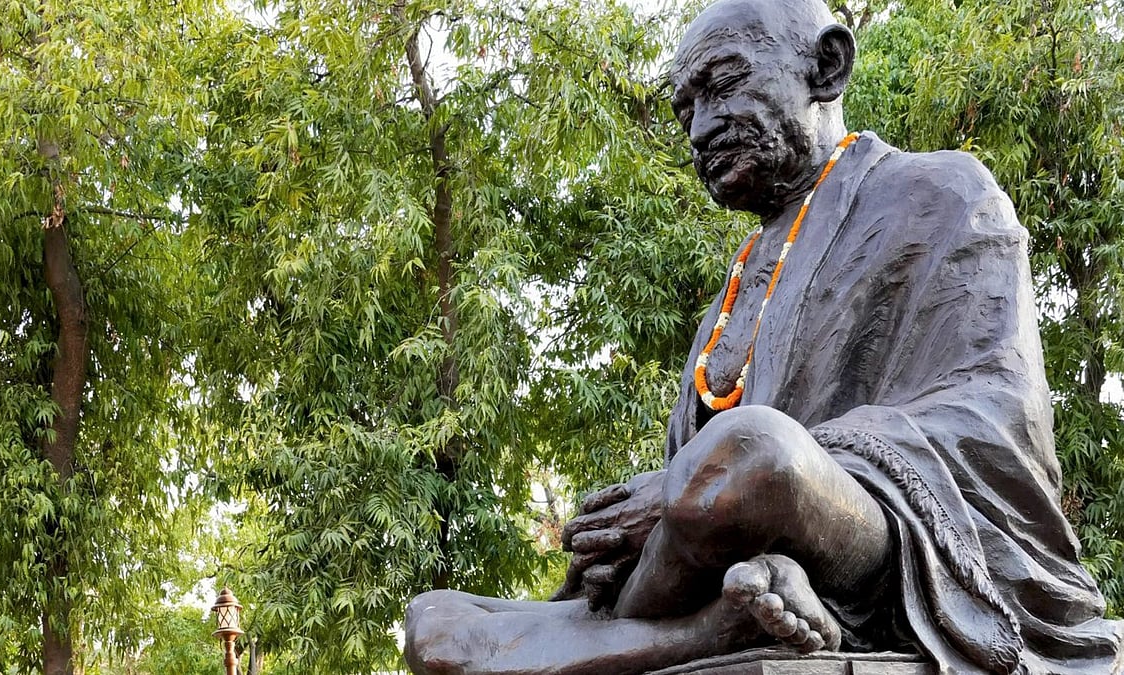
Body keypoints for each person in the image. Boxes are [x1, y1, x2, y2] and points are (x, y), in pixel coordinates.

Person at [403, 0, 1124, 672]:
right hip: (718, 566)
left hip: (889, 546)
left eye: (722, 86)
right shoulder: (741, 277)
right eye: (685, 108)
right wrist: (622, 537)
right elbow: (693, 504)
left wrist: (697, 486)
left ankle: (667, 624)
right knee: (433, 619)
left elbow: (997, 418)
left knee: (752, 453)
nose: (698, 129)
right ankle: (708, 631)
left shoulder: (943, 194)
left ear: (827, 66)